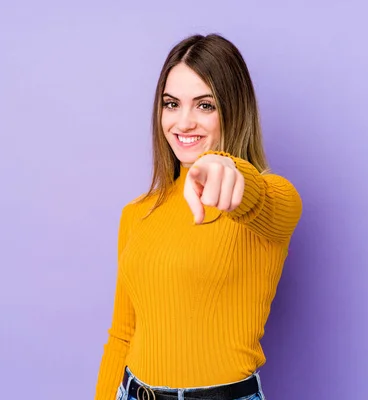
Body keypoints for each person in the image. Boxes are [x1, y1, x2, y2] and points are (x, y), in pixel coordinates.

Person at [94, 33, 302, 400]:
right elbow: (123, 335)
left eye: (205, 105)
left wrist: (222, 168)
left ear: (233, 110)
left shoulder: (272, 197)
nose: (183, 122)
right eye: (171, 104)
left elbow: (262, 202)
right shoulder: (137, 213)